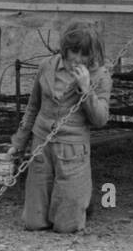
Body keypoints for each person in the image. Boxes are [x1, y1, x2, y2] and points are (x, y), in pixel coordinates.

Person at [8, 22, 112, 233]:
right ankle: (72, 202)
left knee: (67, 227)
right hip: (41, 145)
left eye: (85, 54)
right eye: (74, 51)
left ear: (92, 54)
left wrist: (85, 89)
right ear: (65, 47)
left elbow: (100, 119)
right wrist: (17, 144)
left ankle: (79, 202)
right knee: (33, 223)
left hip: (72, 149)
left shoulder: (100, 76)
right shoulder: (47, 66)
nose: (78, 59)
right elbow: (32, 107)